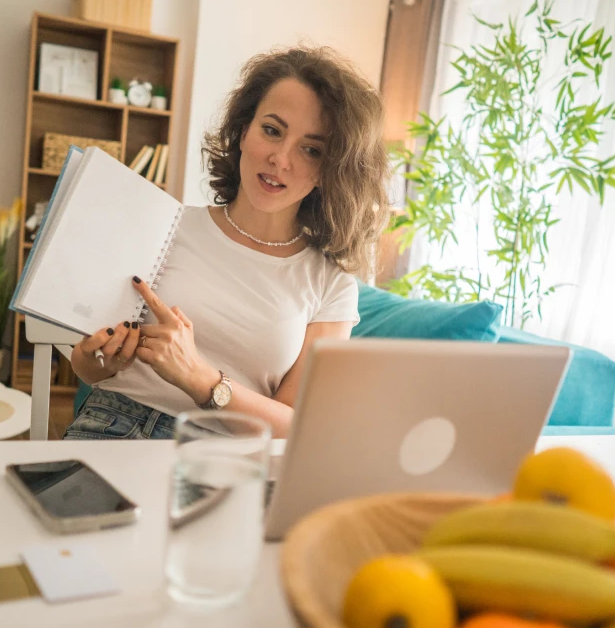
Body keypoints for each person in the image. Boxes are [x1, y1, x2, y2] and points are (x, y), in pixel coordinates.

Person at [64, 45, 388, 440]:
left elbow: (296, 428)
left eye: (311, 149)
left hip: (226, 456)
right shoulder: (164, 224)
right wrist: (102, 358)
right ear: (242, 131)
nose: (280, 159)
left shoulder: (330, 284)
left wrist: (200, 378)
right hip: (112, 423)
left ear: (328, 170)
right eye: (272, 130)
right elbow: (86, 366)